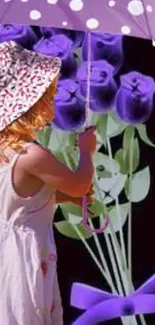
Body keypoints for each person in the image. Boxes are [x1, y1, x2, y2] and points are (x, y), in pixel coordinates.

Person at [0, 41, 97, 325]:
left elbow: (15, 202)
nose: (53, 95)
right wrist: (86, 152)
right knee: (25, 313)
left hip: (5, 250)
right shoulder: (30, 155)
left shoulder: (5, 152)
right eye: (47, 92)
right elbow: (79, 183)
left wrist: (60, 199)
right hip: (23, 257)